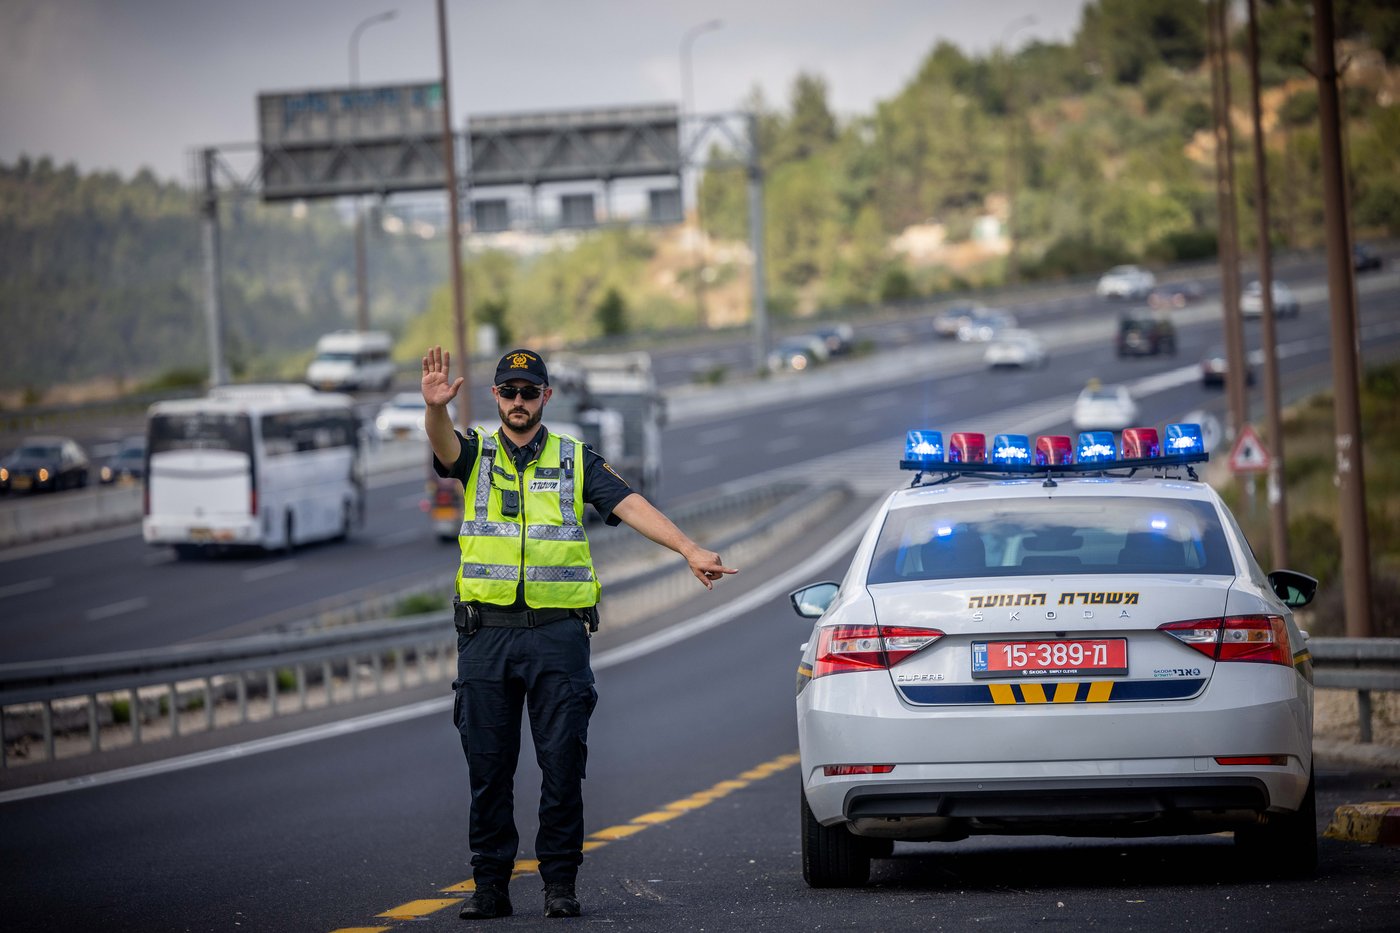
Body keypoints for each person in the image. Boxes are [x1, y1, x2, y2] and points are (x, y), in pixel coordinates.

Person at [421, 345, 736, 920]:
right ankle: (490, 886)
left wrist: (689, 548)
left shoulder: (574, 459)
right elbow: (442, 446)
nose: (519, 401)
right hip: (486, 636)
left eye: (529, 391)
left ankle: (559, 884)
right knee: (488, 769)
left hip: (558, 637)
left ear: (546, 396)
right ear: (495, 397)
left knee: (562, 765)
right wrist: (436, 408)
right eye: (509, 392)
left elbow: (631, 503)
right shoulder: (475, 453)